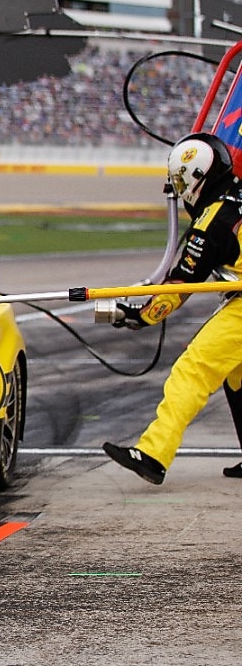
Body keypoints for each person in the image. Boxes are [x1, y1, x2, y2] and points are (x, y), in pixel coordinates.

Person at [103, 132, 242, 484]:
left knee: (192, 370)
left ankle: (153, 454)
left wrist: (139, 315)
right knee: (237, 378)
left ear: (197, 177)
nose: (179, 192)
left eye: (181, 183)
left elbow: (181, 285)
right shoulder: (237, 196)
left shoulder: (211, 220)